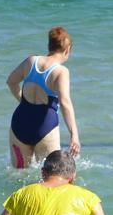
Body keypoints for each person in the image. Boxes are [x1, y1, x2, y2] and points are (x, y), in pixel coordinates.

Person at [6, 27, 80, 169]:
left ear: (49, 46)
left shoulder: (31, 61)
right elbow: (65, 103)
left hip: (20, 124)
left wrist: (22, 101)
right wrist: (74, 135)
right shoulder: (61, 72)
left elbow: (11, 82)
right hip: (45, 128)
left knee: (18, 174)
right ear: (67, 50)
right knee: (51, 175)